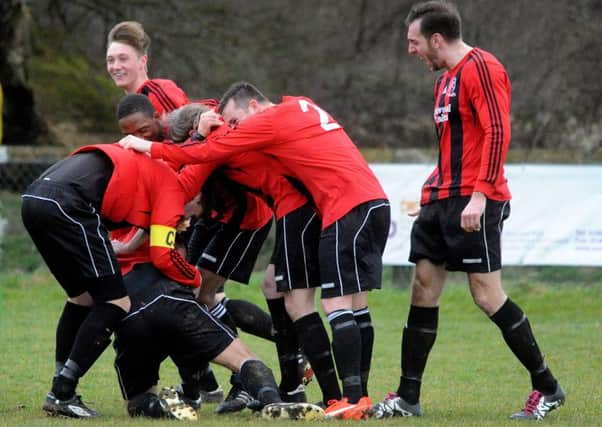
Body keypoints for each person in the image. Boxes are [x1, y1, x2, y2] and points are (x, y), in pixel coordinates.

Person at [119, 82, 391, 420]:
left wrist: (147, 155)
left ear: (249, 107)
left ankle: (336, 394)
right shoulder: (295, 105)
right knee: (280, 291)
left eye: (234, 121)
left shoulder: (227, 134)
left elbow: (189, 174)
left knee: (299, 300)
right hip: (302, 207)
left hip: (295, 210)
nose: (233, 127)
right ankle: (314, 388)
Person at [369, 1, 565, 420]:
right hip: (441, 200)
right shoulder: (444, 82)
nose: (412, 51)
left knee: (486, 295)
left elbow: (497, 132)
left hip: (477, 199)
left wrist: (480, 195)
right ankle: (407, 397)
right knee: (422, 286)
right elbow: (451, 148)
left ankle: (548, 387)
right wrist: (430, 193)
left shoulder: (483, 68)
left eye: (414, 42)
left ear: (436, 39)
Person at [172, 103, 342, 409]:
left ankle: (247, 378)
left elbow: (184, 184)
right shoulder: (203, 128)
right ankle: (281, 376)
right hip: (224, 215)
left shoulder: (205, 129)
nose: (115, 66)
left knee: (201, 294)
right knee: (204, 294)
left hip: (246, 217)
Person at [21, 143, 201, 418]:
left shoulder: (148, 168)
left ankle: (59, 385)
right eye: (193, 211)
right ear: (194, 194)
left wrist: (126, 248)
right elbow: (163, 255)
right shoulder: (171, 187)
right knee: (116, 301)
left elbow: (143, 221)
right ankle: (62, 391)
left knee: (82, 298)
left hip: (34, 198)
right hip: (71, 203)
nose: (187, 218)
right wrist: (195, 277)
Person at [114, 253, 325, 421]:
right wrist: (195, 277)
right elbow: (164, 251)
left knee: (139, 401)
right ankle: (271, 399)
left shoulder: (109, 233)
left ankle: (164, 405)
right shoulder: (162, 213)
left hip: (131, 311)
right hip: (174, 300)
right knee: (240, 354)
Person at [106, 21, 189, 115]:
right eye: (110, 60)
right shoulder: (130, 106)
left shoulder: (159, 92)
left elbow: (185, 127)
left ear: (142, 61)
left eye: (123, 59)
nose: (116, 66)